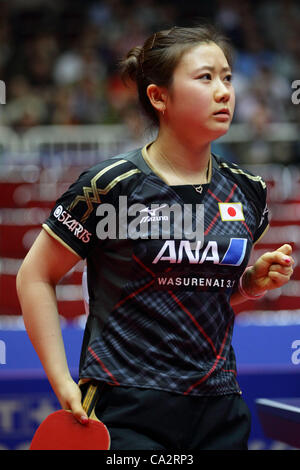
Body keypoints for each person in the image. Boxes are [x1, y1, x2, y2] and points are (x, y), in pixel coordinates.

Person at [16, 24, 294, 451]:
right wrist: (62, 381)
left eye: (227, 78)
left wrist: (247, 285)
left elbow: (192, 295)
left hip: (219, 407)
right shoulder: (111, 186)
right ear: (159, 97)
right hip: (127, 407)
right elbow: (34, 275)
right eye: (205, 78)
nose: (223, 92)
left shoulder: (248, 190)